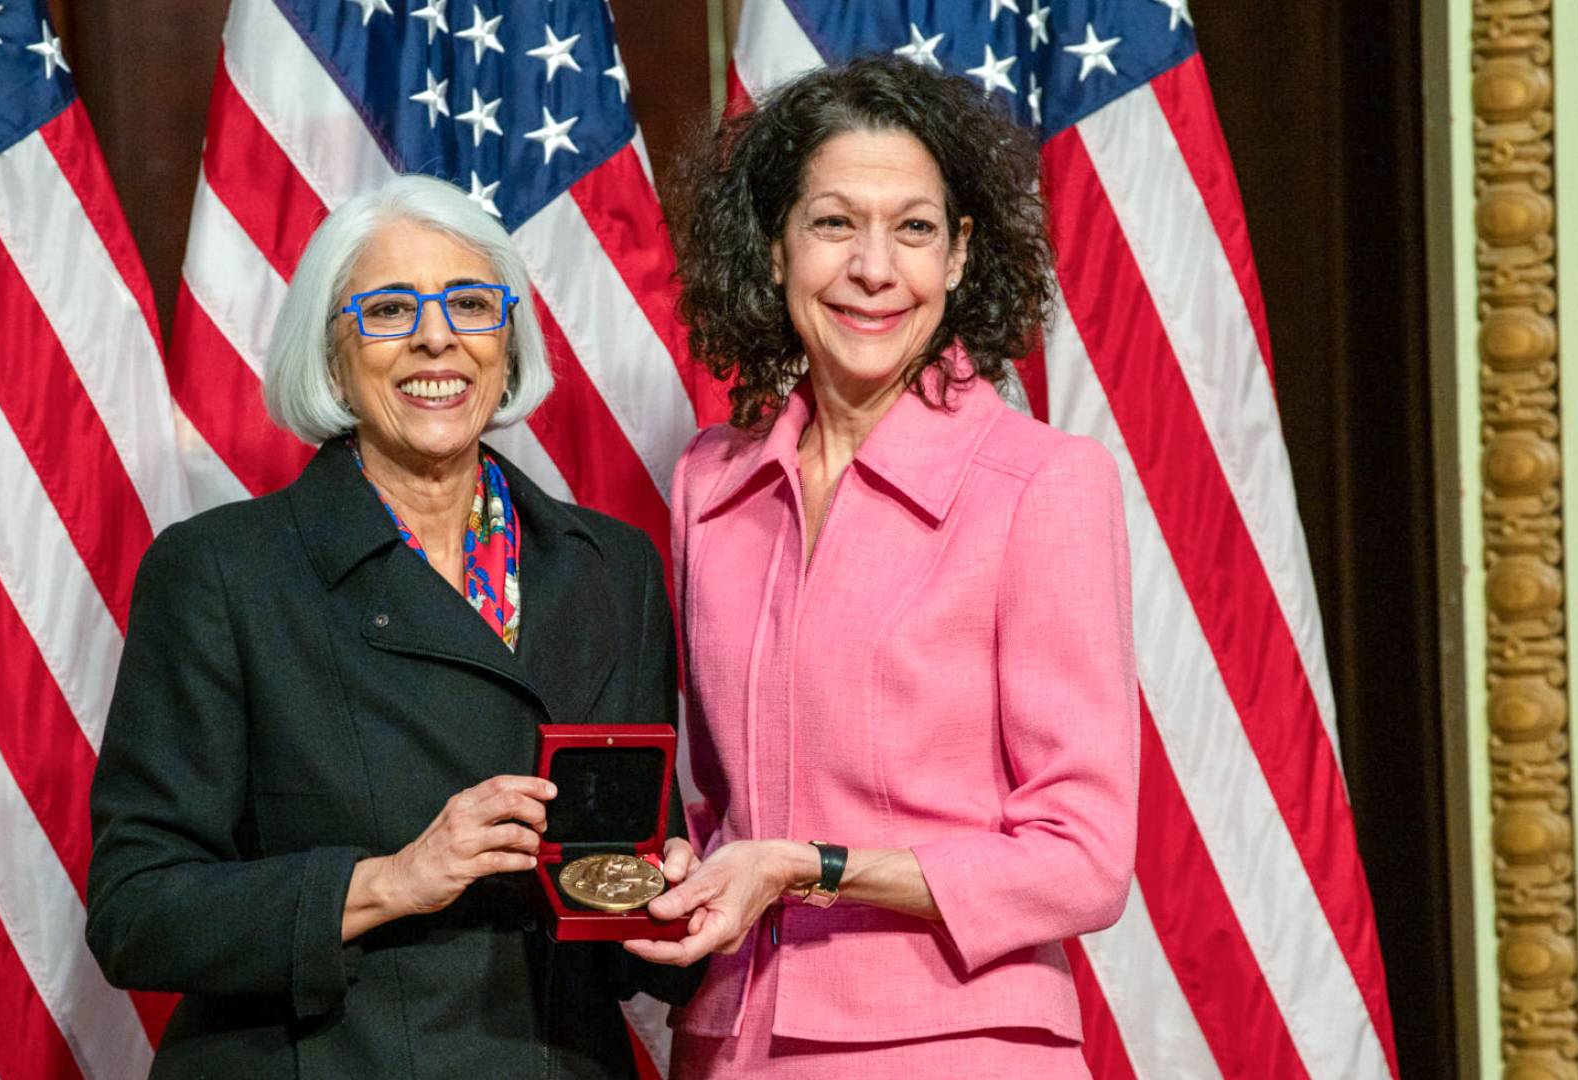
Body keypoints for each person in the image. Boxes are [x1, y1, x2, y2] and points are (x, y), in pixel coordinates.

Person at [86, 174, 700, 1078]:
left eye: (469, 304)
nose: (435, 336)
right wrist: (389, 881)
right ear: (332, 357)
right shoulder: (220, 572)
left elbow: (620, 896)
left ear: (508, 339)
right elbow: (136, 911)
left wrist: (669, 905)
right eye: (389, 310)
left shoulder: (614, 571)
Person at [623, 56, 1139, 1077]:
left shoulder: (1043, 486)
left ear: (958, 258)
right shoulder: (709, 486)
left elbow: (1084, 860)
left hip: (958, 1044)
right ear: (773, 249)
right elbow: (717, 808)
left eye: (913, 228)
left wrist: (810, 867)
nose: (873, 267)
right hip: (729, 1043)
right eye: (831, 224)